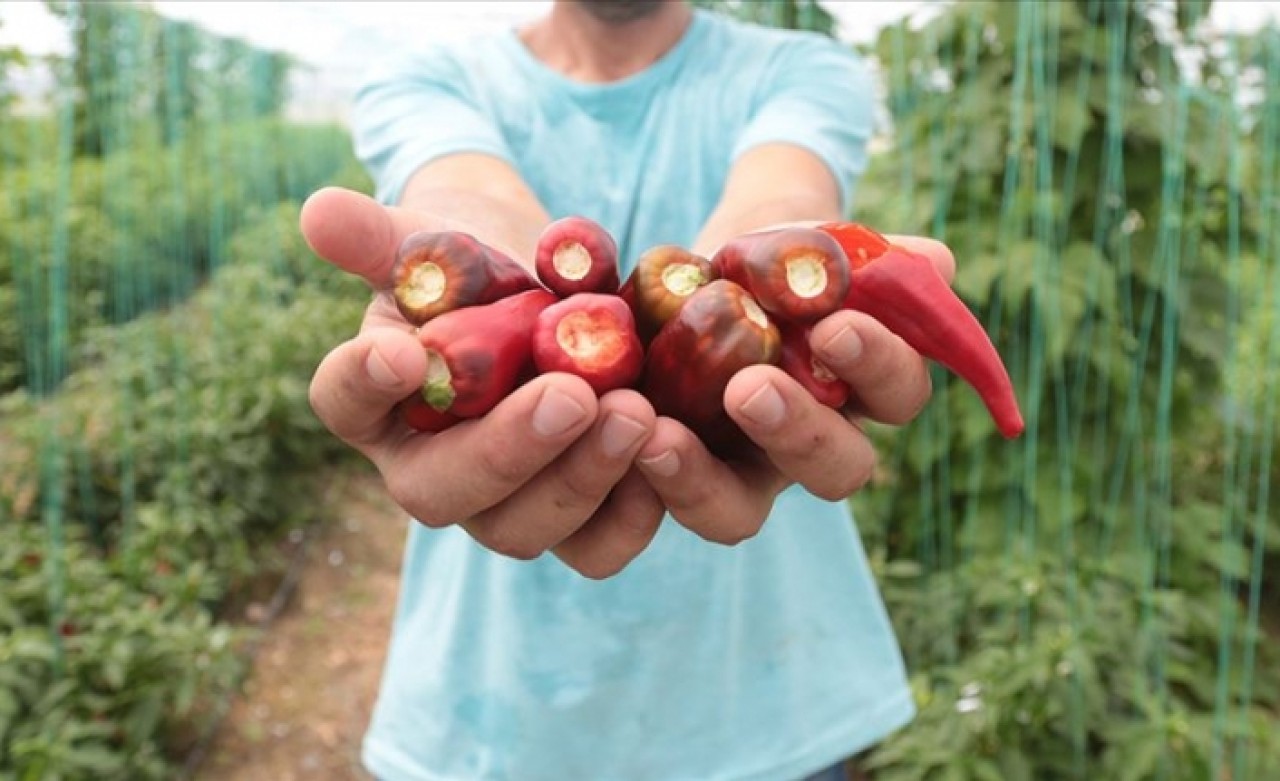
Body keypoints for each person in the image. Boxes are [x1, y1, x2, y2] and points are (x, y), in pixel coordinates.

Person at [300, 1, 955, 779]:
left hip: (769, 706)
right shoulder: (431, 76)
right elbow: (465, 192)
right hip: (493, 716)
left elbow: (779, 200)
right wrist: (465, 252)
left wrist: (759, 272)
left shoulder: (803, 68)